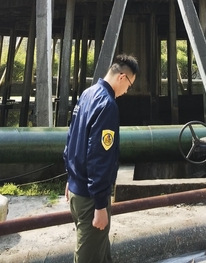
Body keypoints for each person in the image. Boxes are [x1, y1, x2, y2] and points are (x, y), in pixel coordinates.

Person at [63, 53, 139, 263]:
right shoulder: (108, 105)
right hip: (90, 197)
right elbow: (99, 157)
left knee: (100, 254)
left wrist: (70, 178)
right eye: (130, 85)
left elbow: (71, 140)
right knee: (88, 257)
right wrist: (100, 205)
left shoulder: (87, 94)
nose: (126, 91)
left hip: (77, 191)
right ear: (122, 77)